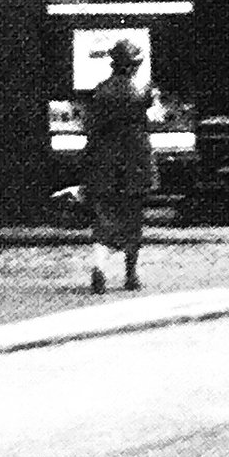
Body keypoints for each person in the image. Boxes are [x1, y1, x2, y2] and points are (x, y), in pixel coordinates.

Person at [83, 38, 155, 294]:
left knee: (104, 220)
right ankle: (130, 275)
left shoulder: (100, 92)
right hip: (134, 166)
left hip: (104, 166)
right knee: (133, 219)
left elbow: (91, 131)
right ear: (135, 65)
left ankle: (99, 268)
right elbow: (147, 128)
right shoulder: (141, 94)